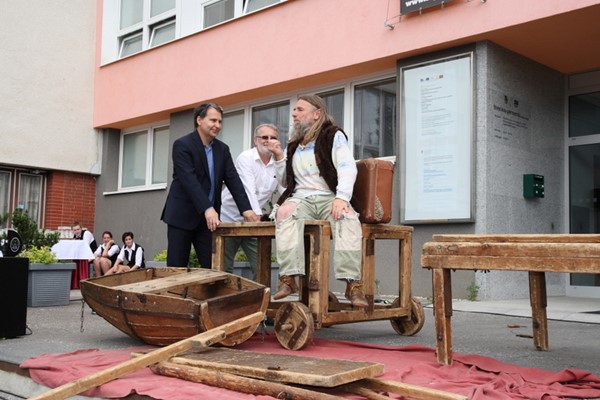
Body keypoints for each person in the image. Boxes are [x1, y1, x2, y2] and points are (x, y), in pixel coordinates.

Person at [268, 94, 368, 308]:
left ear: (317, 114)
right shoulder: (294, 144)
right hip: (301, 198)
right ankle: (288, 278)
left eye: (300, 109)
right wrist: (278, 157)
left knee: (347, 217)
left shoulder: (332, 135)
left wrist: (342, 198)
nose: (294, 114)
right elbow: (286, 181)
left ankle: (353, 284)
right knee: (283, 213)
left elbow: (347, 167)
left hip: (328, 196)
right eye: (294, 110)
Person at [161, 103, 260, 269]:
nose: (217, 125)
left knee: (213, 268)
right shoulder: (182, 145)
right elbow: (189, 181)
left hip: (209, 222)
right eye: (213, 120)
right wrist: (207, 208)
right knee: (176, 269)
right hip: (182, 216)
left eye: (220, 121)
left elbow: (234, 181)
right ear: (199, 120)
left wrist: (246, 209)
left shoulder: (222, 149)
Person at [220, 123, 285, 277]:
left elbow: (285, 189)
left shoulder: (279, 161)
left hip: (253, 221)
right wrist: (257, 216)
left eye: (273, 137)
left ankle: (261, 293)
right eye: (264, 137)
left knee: (261, 266)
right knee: (224, 268)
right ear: (255, 140)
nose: (268, 140)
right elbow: (248, 190)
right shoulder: (246, 158)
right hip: (229, 219)